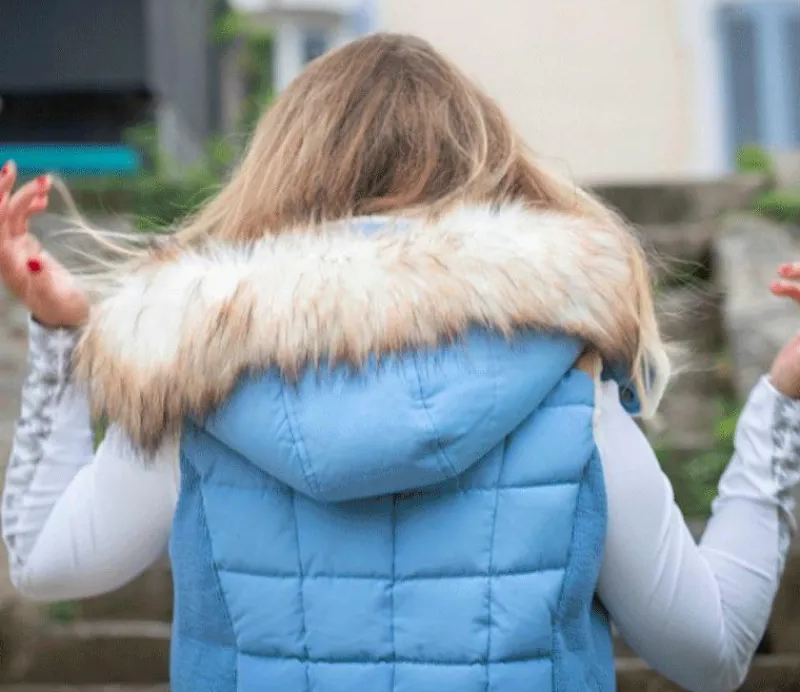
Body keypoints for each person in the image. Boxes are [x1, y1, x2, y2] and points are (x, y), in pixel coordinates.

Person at [2, 34, 800, 692]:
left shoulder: (196, 379)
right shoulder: (569, 391)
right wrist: (783, 400)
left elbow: (46, 564)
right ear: (486, 169)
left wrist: (60, 338)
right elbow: (711, 651)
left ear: (282, 169)